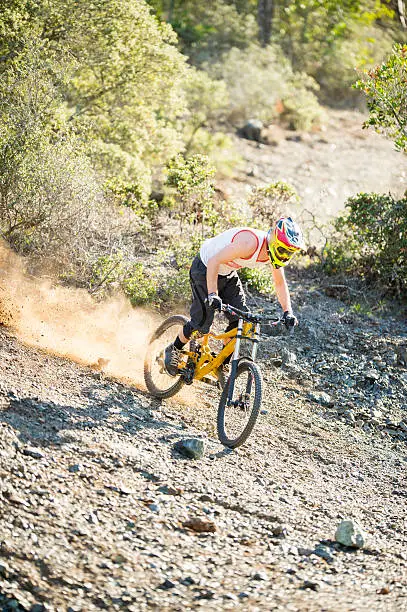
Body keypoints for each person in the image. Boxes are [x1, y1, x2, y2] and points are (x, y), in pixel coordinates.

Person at [164, 216, 304, 376]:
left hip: (227, 274)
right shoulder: (249, 243)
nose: (285, 256)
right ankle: (174, 348)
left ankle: (221, 364)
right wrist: (212, 294)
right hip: (205, 267)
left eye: (289, 253)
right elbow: (214, 261)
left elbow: (279, 283)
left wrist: (288, 312)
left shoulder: (273, 255)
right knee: (201, 325)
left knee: (242, 322)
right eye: (283, 250)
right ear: (274, 241)